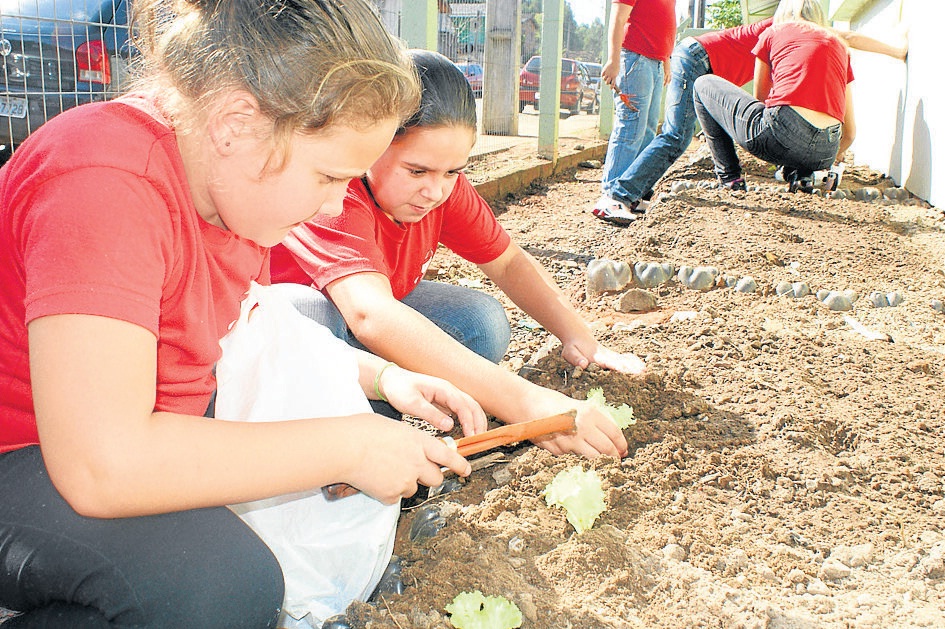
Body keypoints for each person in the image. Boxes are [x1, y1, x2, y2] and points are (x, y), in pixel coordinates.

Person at [0, 1, 485, 626]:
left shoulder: (231, 187)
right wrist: (348, 446)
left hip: (113, 433)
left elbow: (253, 328)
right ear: (236, 123)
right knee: (216, 583)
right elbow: (102, 465)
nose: (335, 206)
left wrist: (384, 379)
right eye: (328, 177)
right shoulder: (103, 180)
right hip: (30, 450)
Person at [270, 50, 646, 461]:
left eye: (452, 171)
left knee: (481, 321)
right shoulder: (335, 193)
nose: (435, 191)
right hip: (289, 339)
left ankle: (382, 406)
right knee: (309, 310)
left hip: (369, 316)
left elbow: (508, 262)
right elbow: (370, 315)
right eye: (417, 171)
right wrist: (529, 404)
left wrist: (579, 337)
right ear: (371, 143)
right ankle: (344, 436)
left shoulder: (442, 189)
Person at [596, 16, 907, 220]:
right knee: (677, 135)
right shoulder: (790, 26)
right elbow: (848, 36)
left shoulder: (791, 34)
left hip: (702, 63)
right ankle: (618, 196)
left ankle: (637, 195)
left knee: (689, 128)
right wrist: (897, 51)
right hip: (694, 57)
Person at [692, 0, 856, 195]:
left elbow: (760, 101)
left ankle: (730, 178)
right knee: (800, 136)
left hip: (780, 135)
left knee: (703, 84)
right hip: (825, 151)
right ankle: (802, 176)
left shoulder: (773, 32)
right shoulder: (840, 47)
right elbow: (850, 134)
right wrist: (827, 155)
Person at [593, 0, 676, 226]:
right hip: (634, 59)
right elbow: (618, 18)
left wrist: (666, 60)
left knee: (647, 129)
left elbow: (663, 25)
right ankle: (611, 197)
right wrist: (613, 60)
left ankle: (632, 193)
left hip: (655, 62)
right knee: (630, 127)